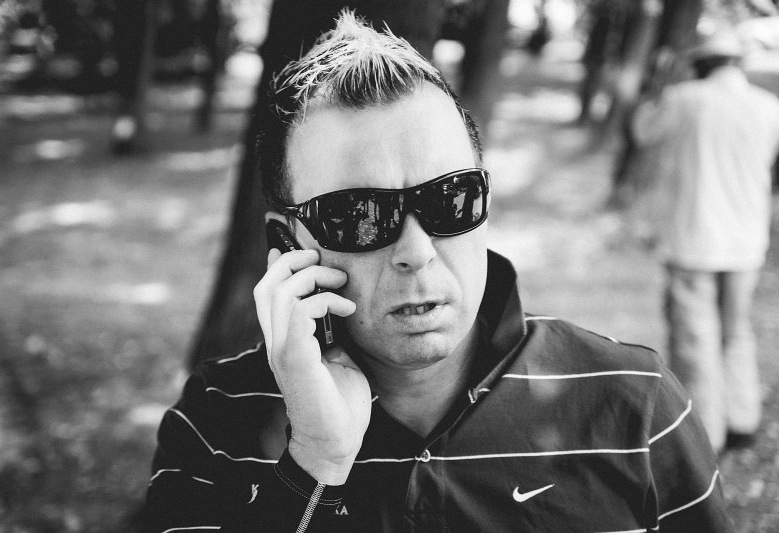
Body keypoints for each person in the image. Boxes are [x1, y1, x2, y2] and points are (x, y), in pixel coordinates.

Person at [146, 11, 731, 532]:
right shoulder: (214, 423)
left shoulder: (636, 406)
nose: (417, 250)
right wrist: (314, 463)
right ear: (288, 241)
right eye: (360, 215)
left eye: (452, 198)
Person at [631, 29, 779, 454]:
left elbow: (643, 132)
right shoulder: (769, 106)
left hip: (694, 238)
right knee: (736, 330)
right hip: (747, 239)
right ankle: (742, 419)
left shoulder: (684, 99)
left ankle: (703, 432)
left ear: (700, 64)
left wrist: (656, 87)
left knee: (695, 339)